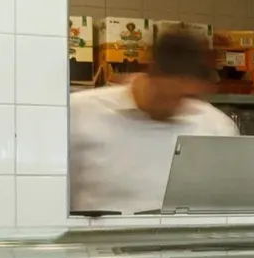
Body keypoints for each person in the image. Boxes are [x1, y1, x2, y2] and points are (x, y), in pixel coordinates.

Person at [68, 30, 238, 214]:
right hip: (94, 240)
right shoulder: (78, 112)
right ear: (153, 72)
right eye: (171, 94)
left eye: (187, 97)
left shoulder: (217, 127)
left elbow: (228, 205)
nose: (178, 105)